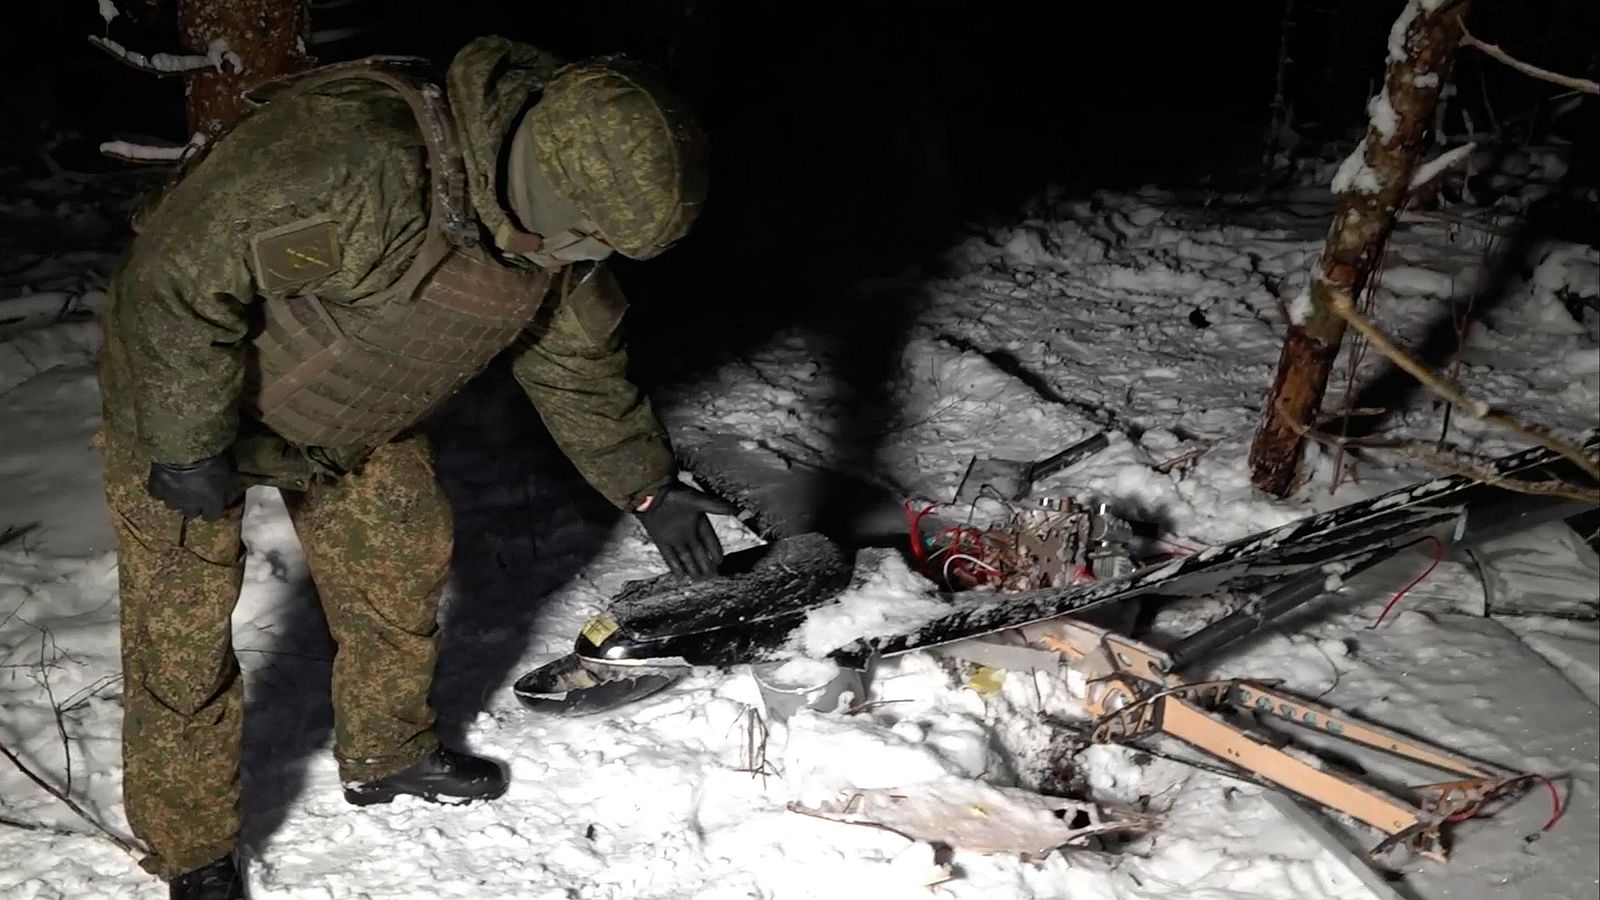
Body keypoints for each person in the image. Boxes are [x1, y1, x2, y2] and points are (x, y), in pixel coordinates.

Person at [97, 36, 730, 900]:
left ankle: (387, 755)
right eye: (583, 230)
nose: (583, 253)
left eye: (601, 244)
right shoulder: (359, 161)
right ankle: (192, 852)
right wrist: (183, 443)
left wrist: (647, 485)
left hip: (351, 419)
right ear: (547, 173)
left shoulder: (557, 239)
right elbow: (174, 278)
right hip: (188, 403)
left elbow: (577, 363)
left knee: (400, 570)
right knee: (182, 644)